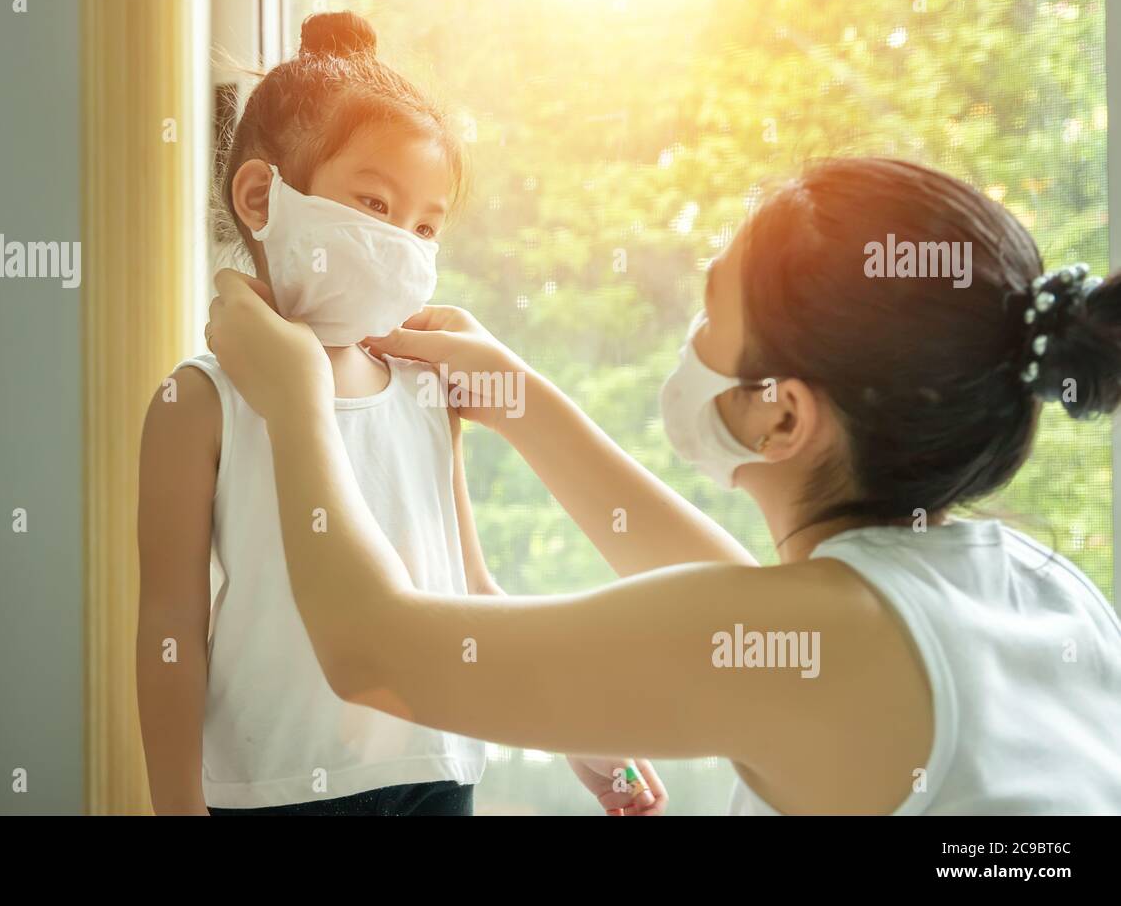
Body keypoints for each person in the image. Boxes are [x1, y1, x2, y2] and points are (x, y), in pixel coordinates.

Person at [206, 156, 1121, 814]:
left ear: (784, 417)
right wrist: (521, 401)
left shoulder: (818, 635)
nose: (689, 337)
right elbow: (748, 610)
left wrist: (296, 401)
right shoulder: (1039, 592)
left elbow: (378, 657)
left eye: (711, 311)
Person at [138, 10, 663, 816]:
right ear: (261, 197)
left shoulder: (426, 392)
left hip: (439, 768)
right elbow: (170, 625)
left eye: (426, 226)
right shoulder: (199, 402)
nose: (406, 244)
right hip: (276, 785)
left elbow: (469, 593)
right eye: (377, 207)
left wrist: (572, 732)